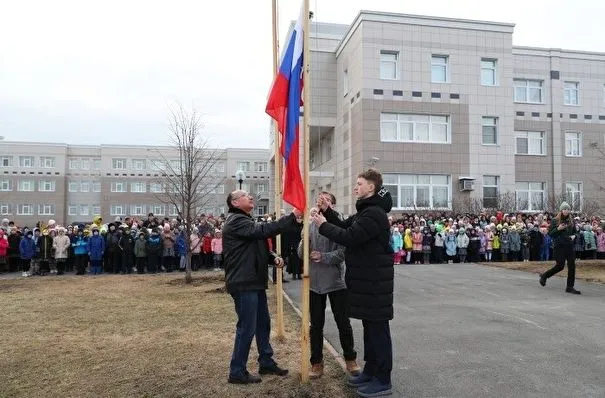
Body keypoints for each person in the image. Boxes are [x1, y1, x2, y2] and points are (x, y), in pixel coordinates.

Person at [312, 169, 394, 398]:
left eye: (359, 184)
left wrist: (322, 225)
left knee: (378, 331)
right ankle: (370, 371)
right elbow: (345, 225)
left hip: (375, 283)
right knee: (370, 329)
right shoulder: (366, 212)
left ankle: (383, 379)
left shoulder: (374, 214)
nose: (356, 187)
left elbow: (349, 237)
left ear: (371, 187)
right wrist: (328, 213)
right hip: (368, 281)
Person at [222, 190, 302, 385]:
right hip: (244, 282)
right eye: (245, 195)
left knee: (262, 324)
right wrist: (291, 217)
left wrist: (272, 257)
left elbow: (256, 245)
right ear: (234, 202)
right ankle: (237, 371)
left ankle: (266, 361)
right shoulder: (236, 221)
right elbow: (263, 231)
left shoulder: (246, 221)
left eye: (250, 194)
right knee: (247, 327)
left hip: (254, 281)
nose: (250, 196)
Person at [299, 192, 360, 379]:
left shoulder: (339, 224)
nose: (320, 200)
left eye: (325, 199)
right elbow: (302, 253)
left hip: (336, 281)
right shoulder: (310, 224)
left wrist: (323, 257)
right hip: (314, 282)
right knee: (315, 325)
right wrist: (304, 241)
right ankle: (316, 362)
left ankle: (350, 359)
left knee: (343, 322)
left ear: (332, 205)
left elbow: (343, 253)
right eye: (319, 198)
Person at [539, 202, 581, 294]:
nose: (566, 211)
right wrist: (559, 228)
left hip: (569, 245)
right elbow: (550, 233)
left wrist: (574, 236)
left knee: (572, 266)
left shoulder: (572, 221)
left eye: (568, 209)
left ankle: (570, 287)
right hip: (559, 246)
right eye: (565, 209)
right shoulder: (555, 220)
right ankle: (545, 276)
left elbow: (577, 232)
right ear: (561, 210)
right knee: (560, 266)